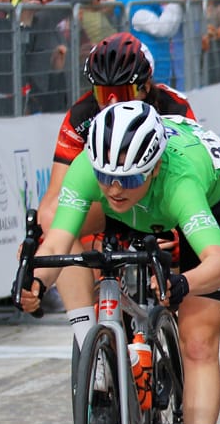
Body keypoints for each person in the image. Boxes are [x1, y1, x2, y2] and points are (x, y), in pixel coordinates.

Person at [18, 100, 220, 424]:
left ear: (153, 168)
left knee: (197, 342)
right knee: (65, 234)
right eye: (106, 177)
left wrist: (181, 284)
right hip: (143, 208)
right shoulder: (94, 169)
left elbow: (219, 265)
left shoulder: (179, 182)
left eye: (128, 178)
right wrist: (36, 284)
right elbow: (57, 242)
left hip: (210, 198)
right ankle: (97, 348)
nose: (114, 188)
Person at [37, 33, 197, 347]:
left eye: (122, 92)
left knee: (186, 286)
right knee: (53, 220)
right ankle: (88, 345)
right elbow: (54, 195)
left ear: (146, 88)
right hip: (109, 202)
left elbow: (188, 182)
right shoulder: (81, 115)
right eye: (102, 92)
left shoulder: (173, 106)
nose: (111, 101)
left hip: (159, 205)